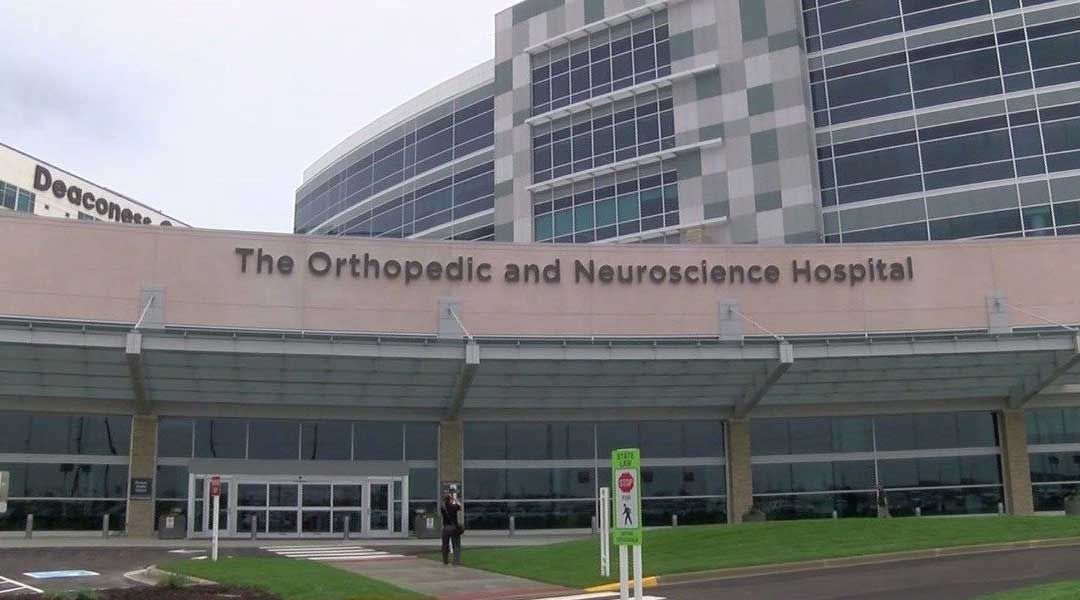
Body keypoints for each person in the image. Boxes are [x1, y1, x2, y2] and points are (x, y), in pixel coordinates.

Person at [440, 491, 463, 565]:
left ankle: (445, 560)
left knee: (445, 545)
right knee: (456, 544)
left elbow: (445, 504)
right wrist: (455, 500)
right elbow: (460, 507)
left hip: (445, 528)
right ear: (450, 499)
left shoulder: (442, 507)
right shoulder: (453, 507)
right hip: (453, 527)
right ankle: (456, 561)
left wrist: (450, 498)